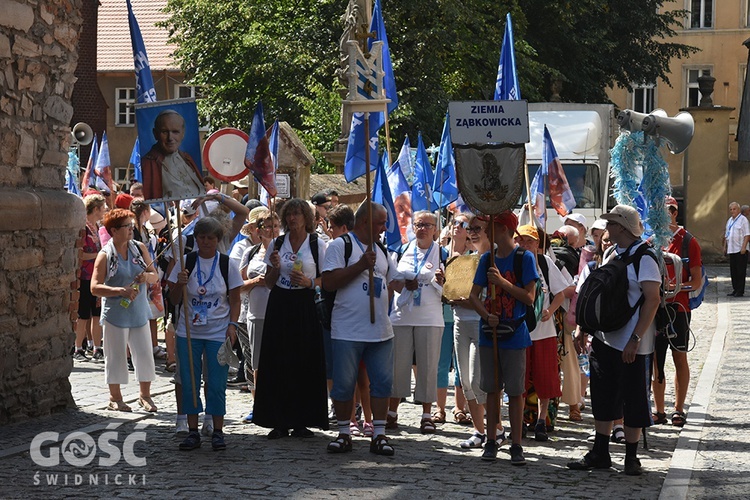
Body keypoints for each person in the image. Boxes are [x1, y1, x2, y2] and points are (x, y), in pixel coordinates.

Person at [568, 204, 660, 476]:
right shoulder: (610, 253)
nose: (606, 228)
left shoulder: (645, 257)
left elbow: (652, 300)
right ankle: (601, 452)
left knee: (633, 398)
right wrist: (584, 327)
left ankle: (631, 457)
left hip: (634, 342)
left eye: (611, 223)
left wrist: (635, 338)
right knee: (604, 395)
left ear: (622, 227)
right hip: (605, 337)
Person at [323, 202, 397, 456]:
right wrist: (359, 266)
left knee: (382, 384)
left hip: (380, 331)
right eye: (380, 222)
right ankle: (344, 432)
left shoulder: (383, 251)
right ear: (364, 221)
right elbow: (329, 282)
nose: (384, 227)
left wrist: (411, 282)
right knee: (343, 385)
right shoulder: (340, 246)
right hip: (347, 330)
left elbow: (392, 281)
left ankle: (379, 434)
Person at [252, 198, 329, 439]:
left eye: (297, 214)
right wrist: (274, 266)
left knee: (304, 360)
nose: (292, 218)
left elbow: (327, 279)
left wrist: (309, 283)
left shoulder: (317, 244)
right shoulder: (278, 243)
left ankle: (302, 420)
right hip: (280, 304)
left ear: (306, 218)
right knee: (278, 361)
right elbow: (268, 282)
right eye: (289, 214)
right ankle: (278, 420)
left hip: (304, 305)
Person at [167, 216, 242, 450]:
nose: (206, 242)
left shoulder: (227, 264)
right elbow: (174, 299)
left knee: (217, 382)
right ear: (196, 238)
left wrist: (233, 325)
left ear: (218, 239)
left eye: (211, 238)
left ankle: (217, 430)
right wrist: (179, 283)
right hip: (188, 332)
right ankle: (192, 430)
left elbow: (235, 299)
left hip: (218, 331)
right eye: (202, 237)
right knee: (190, 381)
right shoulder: (185, 261)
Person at [469, 211, 536, 465]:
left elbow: (529, 298)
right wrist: (487, 315)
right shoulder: (487, 259)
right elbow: (474, 295)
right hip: (490, 334)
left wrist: (502, 283)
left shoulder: (524, 258)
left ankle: (517, 444)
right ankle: (491, 440)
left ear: (505, 229)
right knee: (492, 389)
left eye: (491, 227)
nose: (485, 232)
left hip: (515, 335)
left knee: (516, 392)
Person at [90, 208, 159, 412]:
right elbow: (94, 287)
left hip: (139, 311)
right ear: (113, 230)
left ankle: (145, 396)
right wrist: (118, 290)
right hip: (115, 313)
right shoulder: (105, 255)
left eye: (131, 225)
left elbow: (154, 275)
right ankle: (115, 397)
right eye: (126, 226)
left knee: (145, 354)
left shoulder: (139, 248)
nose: (131, 229)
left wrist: (147, 277)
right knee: (116, 355)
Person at [388, 211, 445, 435]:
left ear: (435, 229)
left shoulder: (443, 253)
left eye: (427, 225)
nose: (422, 229)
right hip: (402, 317)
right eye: (418, 224)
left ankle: (427, 415)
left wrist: (442, 281)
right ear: (412, 227)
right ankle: (392, 412)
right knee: (398, 365)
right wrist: (403, 285)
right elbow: (390, 280)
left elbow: (452, 289)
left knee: (427, 366)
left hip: (430, 318)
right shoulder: (402, 250)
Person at [515, 225, 572, 442]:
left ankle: (541, 420)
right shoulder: (513, 261)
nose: (525, 245)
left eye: (529, 241)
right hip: (519, 330)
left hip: (544, 331)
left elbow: (560, 292)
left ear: (538, 243)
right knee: (519, 379)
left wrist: (550, 310)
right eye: (520, 241)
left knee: (546, 378)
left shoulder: (545, 263)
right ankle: (519, 420)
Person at [652, 196, 702, 428]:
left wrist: (675, 288)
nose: (665, 215)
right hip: (656, 307)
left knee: (679, 355)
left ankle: (679, 409)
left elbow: (697, 281)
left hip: (679, 308)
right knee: (655, 359)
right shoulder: (652, 241)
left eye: (668, 211)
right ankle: (658, 410)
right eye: (660, 211)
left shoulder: (688, 241)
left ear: (675, 212)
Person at [450, 214, 491, 448]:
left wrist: (465, 300)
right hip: (459, 322)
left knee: (477, 381)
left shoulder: (493, 259)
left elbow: (485, 299)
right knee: (465, 381)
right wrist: (444, 285)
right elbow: (453, 293)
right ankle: (479, 431)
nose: (472, 232)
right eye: (470, 228)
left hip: (480, 323)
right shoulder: (463, 260)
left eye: (478, 228)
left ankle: (496, 428)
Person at [238, 209, 280, 424]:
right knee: (257, 363)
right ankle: (259, 405)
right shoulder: (251, 253)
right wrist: (256, 282)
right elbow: (238, 285)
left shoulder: (283, 250)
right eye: (267, 227)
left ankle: (281, 404)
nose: (272, 230)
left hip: (279, 311)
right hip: (255, 312)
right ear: (258, 231)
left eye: (275, 226)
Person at [142, 109, 206, 201]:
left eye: (175, 132)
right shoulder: (148, 164)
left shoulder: (187, 158)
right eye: (164, 132)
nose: (170, 138)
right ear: (155, 134)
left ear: (182, 134)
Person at [74, 194, 107, 362]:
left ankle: (96, 347)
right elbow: (80, 254)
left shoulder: (97, 227)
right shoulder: (83, 228)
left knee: (96, 313)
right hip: (85, 276)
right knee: (83, 314)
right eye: (102, 208)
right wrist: (100, 254)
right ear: (95, 209)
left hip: (96, 276)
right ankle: (78, 347)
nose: (105, 211)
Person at [723, 201, 750, 297]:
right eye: (731, 209)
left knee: (740, 271)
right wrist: (725, 247)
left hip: (740, 249)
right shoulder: (730, 220)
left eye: (734, 209)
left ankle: (740, 290)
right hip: (731, 249)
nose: (732, 211)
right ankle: (735, 289)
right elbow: (727, 235)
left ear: (738, 210)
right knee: (733, 271)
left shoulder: (743, 220)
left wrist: (744, 247)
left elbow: (747, 235)